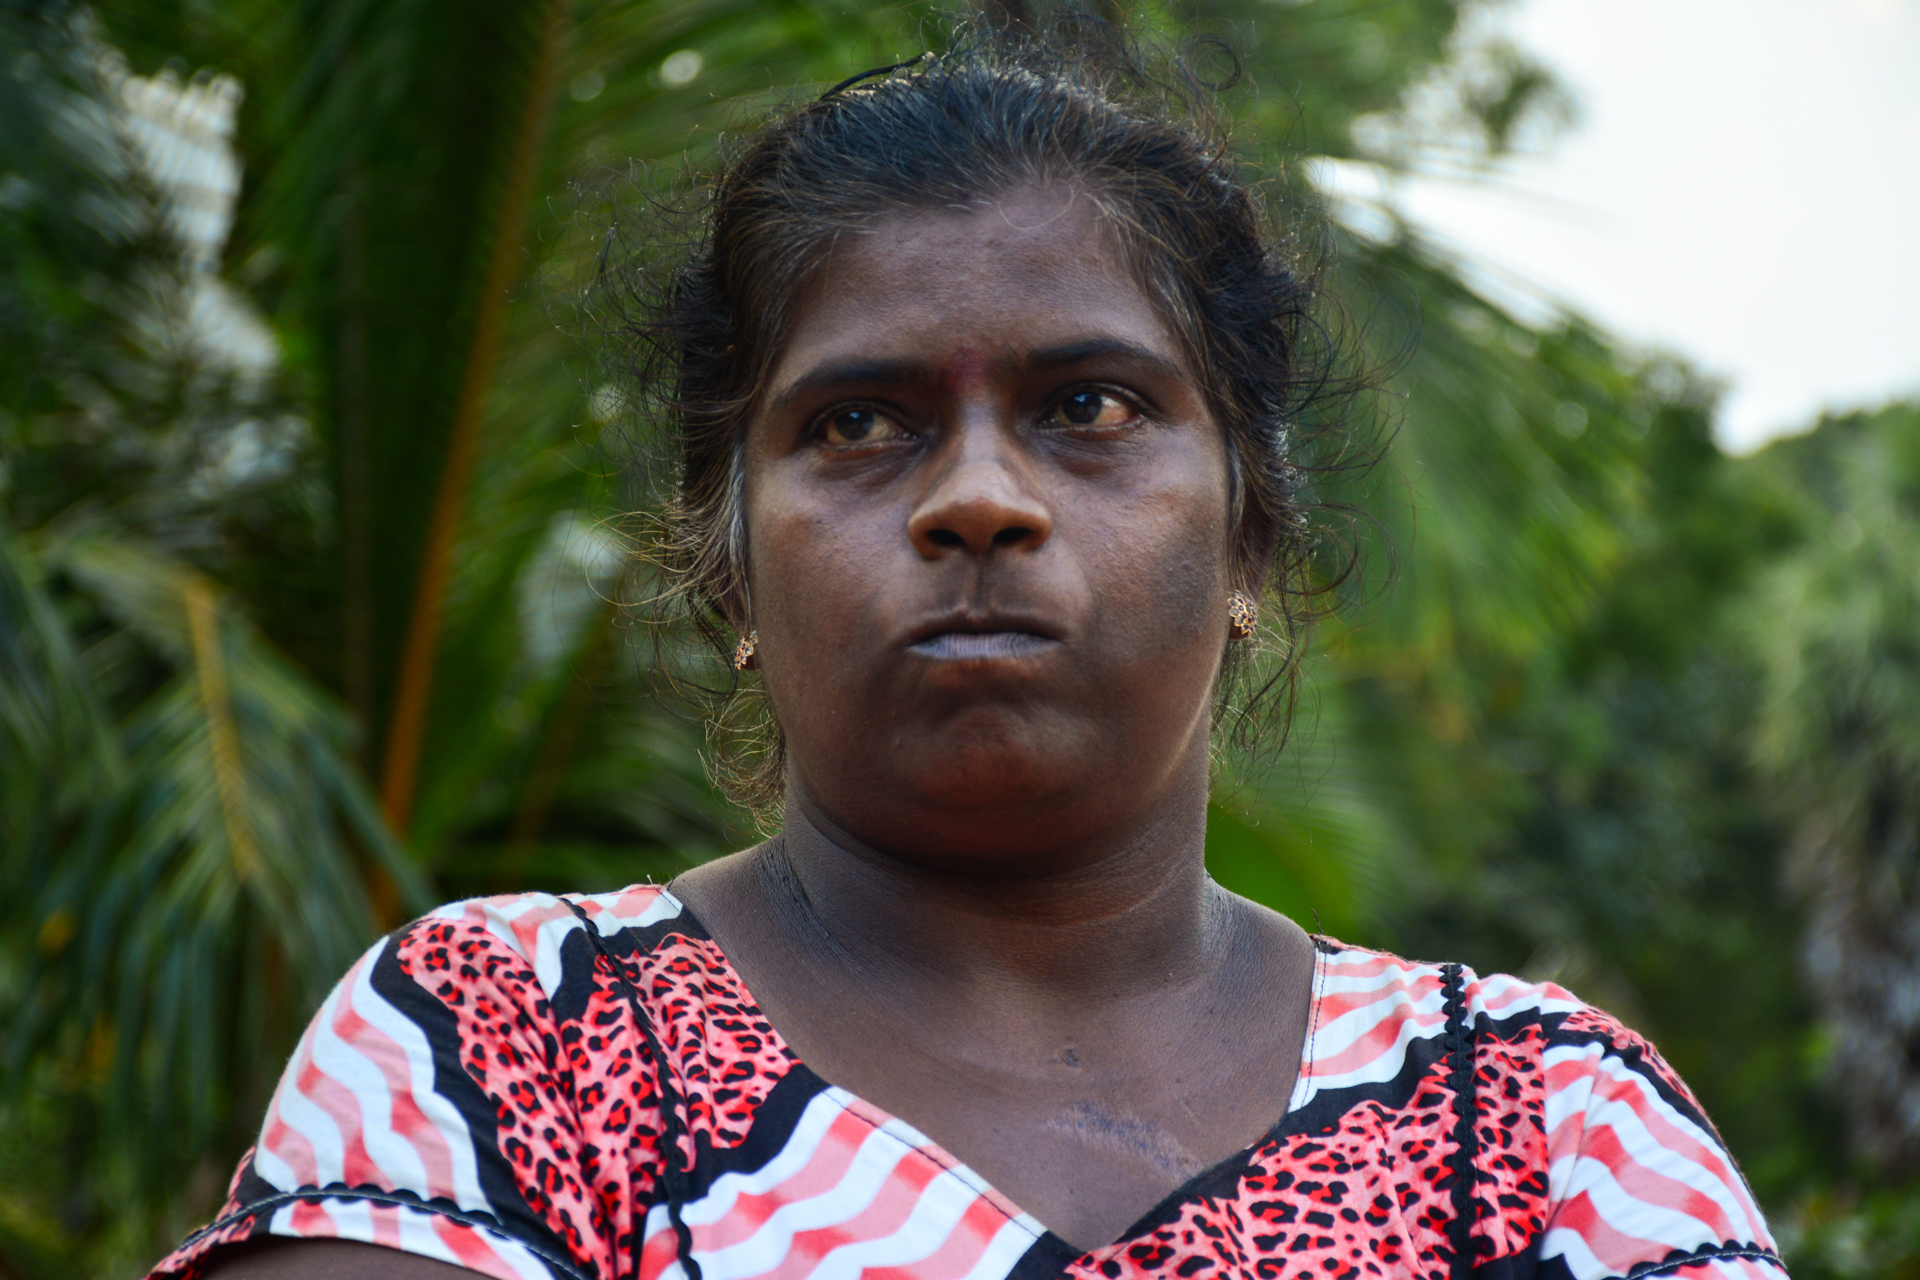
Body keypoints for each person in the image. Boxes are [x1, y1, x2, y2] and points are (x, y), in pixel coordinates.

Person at [152, 35, 1788, 1280]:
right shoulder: (503, 1052)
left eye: (1091, 407)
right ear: (729, 564)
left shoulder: (1544, 1136)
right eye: (859, 423)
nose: (981, 501)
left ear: (1251, 543)